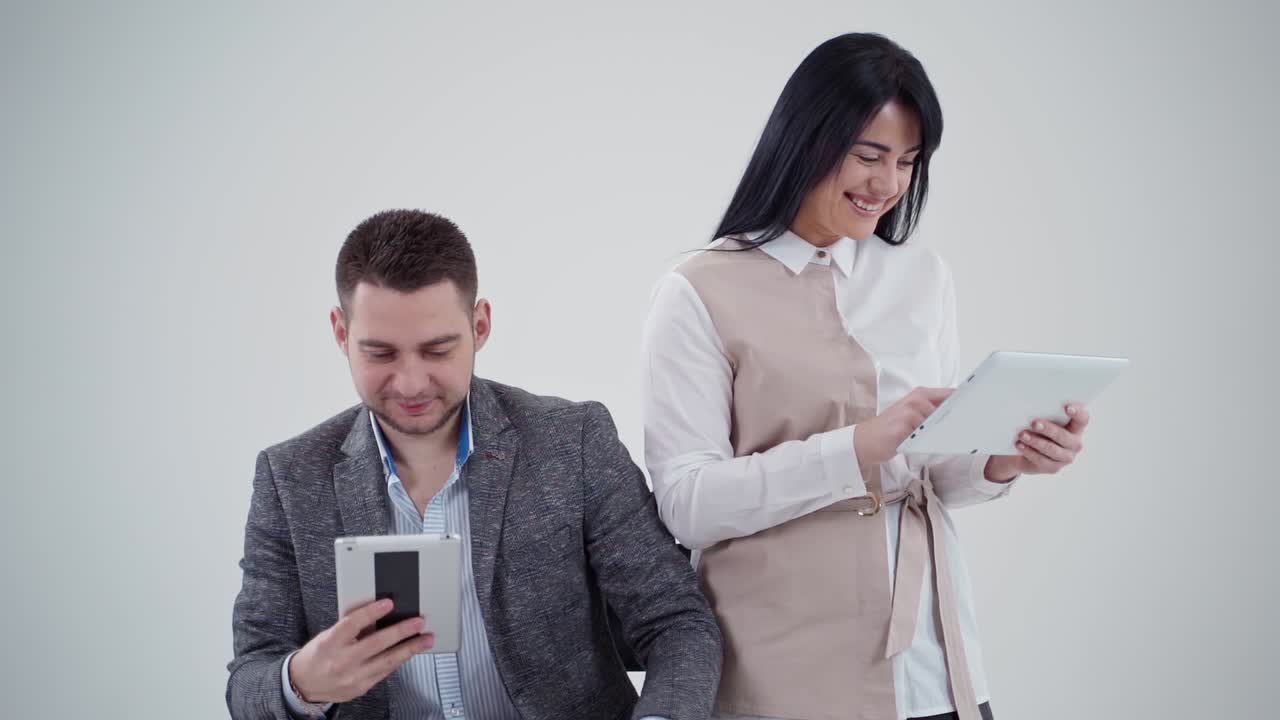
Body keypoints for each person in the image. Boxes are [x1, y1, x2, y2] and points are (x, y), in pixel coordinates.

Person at [641, 33, 1093, 720]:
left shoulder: (921, 278)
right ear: (806, 140)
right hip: (784, 675)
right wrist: (852, 449)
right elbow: (687, 500)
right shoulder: (699, 289)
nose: (887, 184)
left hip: (933, 666)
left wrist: (1005, 458)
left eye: (908, 161)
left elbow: (927, 471)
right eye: (869, 155)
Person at [228, 209, 721, 720]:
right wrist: (302, 682)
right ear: (339, 332)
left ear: (480, 325)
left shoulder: (571, 441)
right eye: (381, 354)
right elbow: (250, 678)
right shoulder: (289, 478)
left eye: (437, 349)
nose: (412, 383)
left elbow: (674, 620)